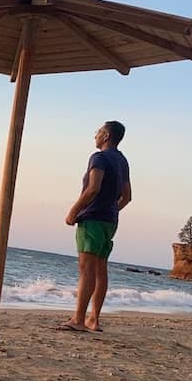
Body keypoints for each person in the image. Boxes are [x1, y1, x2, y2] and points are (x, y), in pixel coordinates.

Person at [57, 121, 131, 333]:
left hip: (93, 219)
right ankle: (93, 319)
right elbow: (127, 197)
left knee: (87, 269)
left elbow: (93, 189)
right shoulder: (122, 161)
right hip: (110, 221)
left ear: (106, 135)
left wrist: (74, 212)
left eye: (98, 132)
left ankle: (78, 319)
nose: (95, 135)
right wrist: (112, 209)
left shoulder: (99, 158)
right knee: (100, 269)